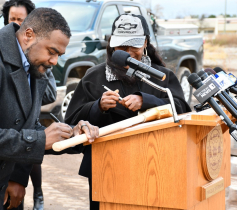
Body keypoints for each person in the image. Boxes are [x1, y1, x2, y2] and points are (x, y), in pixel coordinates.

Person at [0, 7, 99, 210]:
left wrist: (72, 135)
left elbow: (26, 127)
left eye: (59, 54)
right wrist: (40, 140)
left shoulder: (35, 67)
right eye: (52, 52)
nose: (55, 61)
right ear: (28, 35)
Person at [65, 14, 191, 210]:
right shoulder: (94, 77)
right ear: (112, 46)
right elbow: (72, 120)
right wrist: (98, 106)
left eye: (135, 46)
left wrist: (146, 101)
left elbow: (181, 109)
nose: (129, 53)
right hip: (106, 167)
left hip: (154, 163)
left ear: (146, 43)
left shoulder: (162, 77)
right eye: (123, 47)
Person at [0, 1, 55, 209]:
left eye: (20, 20)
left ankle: (37, 191)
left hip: (20, 151)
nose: (16, 25)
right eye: (12, 19)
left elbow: (49, 95)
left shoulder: (38, 58)